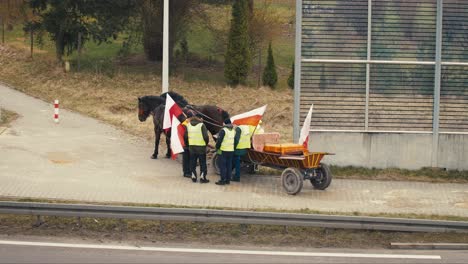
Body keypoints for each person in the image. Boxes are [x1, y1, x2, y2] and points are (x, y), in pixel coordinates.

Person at [184, 113, 209, 183]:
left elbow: (185, 136)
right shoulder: (202, 125)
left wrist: (187, 144)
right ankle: (202, 177)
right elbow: (206, 137)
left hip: (192, 147)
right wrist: (206, 144)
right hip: (201, 148)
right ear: (200, 118)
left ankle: (193, 176)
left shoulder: (188, 125)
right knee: (202, 163)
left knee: (193, 162)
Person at [215, 119, 239, 185]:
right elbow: (235, 141)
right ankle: (228, 180)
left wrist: (217, 147)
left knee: (222, 165)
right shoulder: (233, 131)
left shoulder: (223, 130)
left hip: (223, 150)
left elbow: (219, 140)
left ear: (224, 123)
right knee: (229, 165)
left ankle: (222, 180)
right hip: (231, 150)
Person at [181, 111, 194, 178]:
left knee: (187, 159)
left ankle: (187, 171)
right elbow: (185, 135)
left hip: (186, 143)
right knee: (187, 159)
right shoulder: (186, 124)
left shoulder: (184, 123)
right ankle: (186, 172)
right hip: (187, 144)